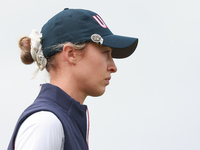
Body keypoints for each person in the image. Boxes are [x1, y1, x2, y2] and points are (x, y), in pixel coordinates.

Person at [7, 8, 138, 150]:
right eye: (106, 52)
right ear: (71, 54)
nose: (113, 67)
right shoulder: (45, 123)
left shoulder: (62, 121)